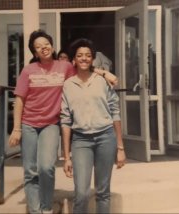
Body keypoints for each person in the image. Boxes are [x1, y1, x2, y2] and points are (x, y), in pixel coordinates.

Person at [8, 29, 118, 214]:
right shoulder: (28, 70)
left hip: (51, 123)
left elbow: (84, 66)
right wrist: (16, 128)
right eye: (38, 46)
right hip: (28, 124)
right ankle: (37, 211)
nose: (43, 48)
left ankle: (46, 206)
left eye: (46, 44)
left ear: (52, 46)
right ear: (34, 52)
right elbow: (19, 100)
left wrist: (105, 73)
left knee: (46, 167)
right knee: (30, 171)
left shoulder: (64, 66)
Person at [61, 38, 126, 214]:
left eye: (88, 55)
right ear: (73, 59)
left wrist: (120, 147)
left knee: (103, 192)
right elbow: (65, 121)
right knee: (81, 193)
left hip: (106, 138)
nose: (84, 58)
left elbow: (115, 113)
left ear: (92, 59)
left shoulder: (103, 81)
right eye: (80, 55)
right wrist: (66, 156)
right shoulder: (67, 85)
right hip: (81, 141)